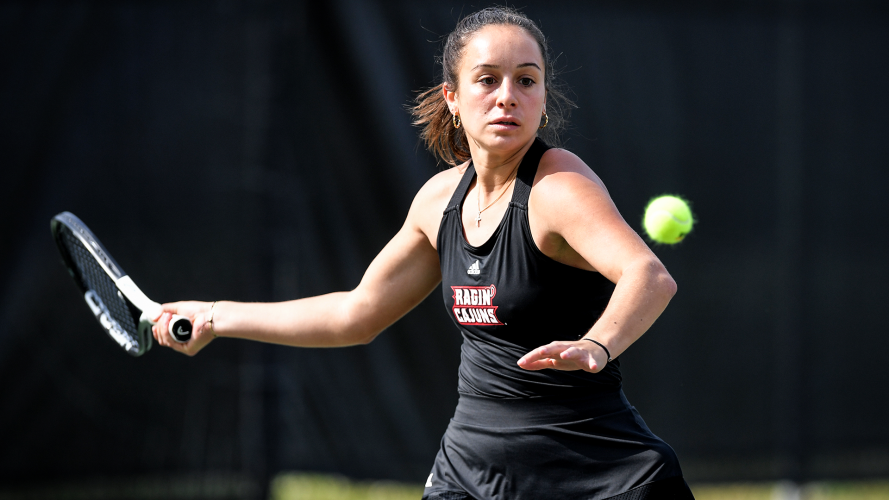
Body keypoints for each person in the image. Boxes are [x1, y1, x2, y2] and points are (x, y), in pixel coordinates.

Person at [153, 6, 695, 500]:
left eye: (527, 80)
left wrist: (597, 344)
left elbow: (648, 274)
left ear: (544, 98)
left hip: (596, 477)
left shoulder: (559, 188)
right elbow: (356, 313)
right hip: (469, 474)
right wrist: (215, 315)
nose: (508, 95)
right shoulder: (439, 201)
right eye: (487, 80)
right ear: (452, 98)